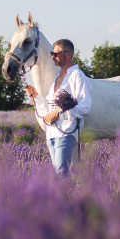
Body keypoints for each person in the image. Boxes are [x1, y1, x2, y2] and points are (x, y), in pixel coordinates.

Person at [25, 39, 92, 177]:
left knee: (61, 174)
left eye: (56, 54)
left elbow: (85, 107)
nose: (52, 56)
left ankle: (65, 198)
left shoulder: (77, 76)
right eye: (52, 53)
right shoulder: (57, 77)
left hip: (66, 132)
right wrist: (36, 96)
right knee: (58, 176)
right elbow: (51, 107)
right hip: (51, 134)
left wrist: (58, 114)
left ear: (68, 55)